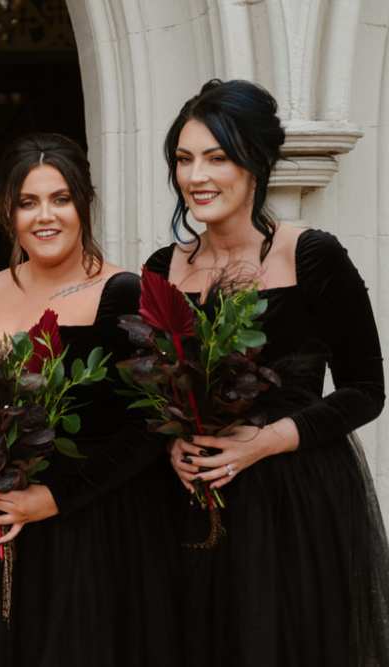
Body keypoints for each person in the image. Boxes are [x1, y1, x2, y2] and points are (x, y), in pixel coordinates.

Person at [149, 78, 389, 666]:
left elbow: (365, 390)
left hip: (294, 505)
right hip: (188, 505)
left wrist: (263, 443)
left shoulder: (312, 255)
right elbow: (153, 387)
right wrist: (171, 442)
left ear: (256, 163)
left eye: (217, 157)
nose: (196, 176)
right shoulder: (162, 269)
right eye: (184, 160)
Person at [0, 133, 181, 667]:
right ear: (7, 211)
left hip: (92, 529)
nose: (44, 216)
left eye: (60, 199)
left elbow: (151, 425)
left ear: (83, 206)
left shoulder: (123, 292)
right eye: (28, 202)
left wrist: (54, 498)